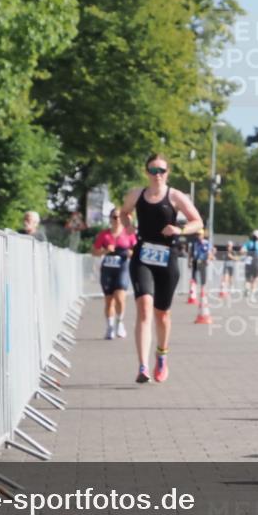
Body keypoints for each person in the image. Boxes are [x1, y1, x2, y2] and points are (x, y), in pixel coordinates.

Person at [121, 155, 203, 384]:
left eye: (162, 170)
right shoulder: (136, 194)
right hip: (143, 255)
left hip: (167, 257)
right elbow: (124, 212)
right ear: (146, 171)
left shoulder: (176, 196)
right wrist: (128, 227)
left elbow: (198, 221)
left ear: (168, 172)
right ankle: (143, 366)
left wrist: (180, 230)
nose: (157, 174)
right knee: (145, 308)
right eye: (153, 170)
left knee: (162, 314)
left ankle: (162, 355)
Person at [92, 208, 136, 339]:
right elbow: (94, 251)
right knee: (109, 300)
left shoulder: (129, 234)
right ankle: (110, 327)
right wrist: (105, 251)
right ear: (110, 219)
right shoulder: (104, 235)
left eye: (119, 217)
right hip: (107, 269)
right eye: (114, 217)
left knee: (120, 298)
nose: (117, 220)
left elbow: (137, 251)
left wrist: (131, 253)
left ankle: (120, 323)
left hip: (122, 268)